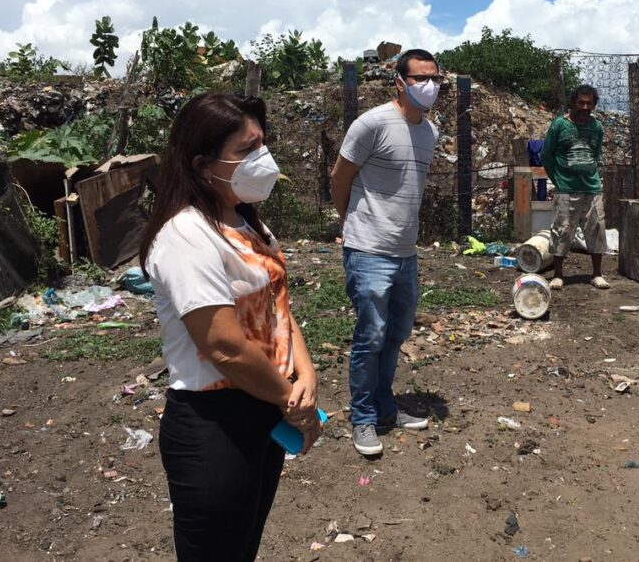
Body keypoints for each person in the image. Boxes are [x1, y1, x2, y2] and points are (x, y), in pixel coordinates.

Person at [140, 92, 322, 561]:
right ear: (203, 164)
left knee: (243, 546)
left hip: (262, 402)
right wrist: (289, 398)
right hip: (215, 423)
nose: (262, 158)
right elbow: (224, 346)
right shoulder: (185, 235)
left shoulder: (245, 222)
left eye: (262, 144)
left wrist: (307, 374)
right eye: (247, 149)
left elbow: (277, 308)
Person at [330, 48, 441, 456]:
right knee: (371, 335)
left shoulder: (430, 132)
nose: (429, 86)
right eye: (420, 78)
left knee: (395, 334)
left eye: (435, 79)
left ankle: (385, 408)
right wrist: (353, 224)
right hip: (369, 249)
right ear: (399, 81)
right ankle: (362, 418)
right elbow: (340, 179)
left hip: (406, 253)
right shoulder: (372, 123)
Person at [540, 84, 609, 289]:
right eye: (581, 103)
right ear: (573, 103)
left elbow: (595, 153)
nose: (585, 107)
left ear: (594, 105)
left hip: (591, 187)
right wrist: (559, 179)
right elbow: (546, 155)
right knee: (562, 230)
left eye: (589, 103)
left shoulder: (596, 127)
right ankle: (558, 274)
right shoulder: (559, 125)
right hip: (566, 188)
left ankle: (597, 274)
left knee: (596, 228)